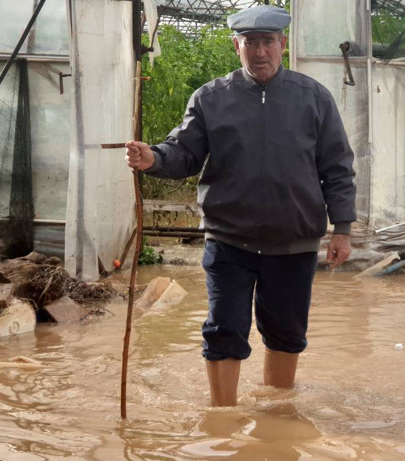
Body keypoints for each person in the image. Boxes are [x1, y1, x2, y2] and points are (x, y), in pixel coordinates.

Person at [124, 5, 356, 407]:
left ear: (282, 44)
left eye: (268, 42)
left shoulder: (314, 98)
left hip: (294, 241)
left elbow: (336, 167)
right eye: (250, 42)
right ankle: (222, 419)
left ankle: (277, 413)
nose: (259, 51)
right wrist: (154, 158)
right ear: (237, 46)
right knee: (224, 330)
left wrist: (343, 229)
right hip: (229, 240)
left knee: (286, 332)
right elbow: (184, 152)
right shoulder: (211, 98)